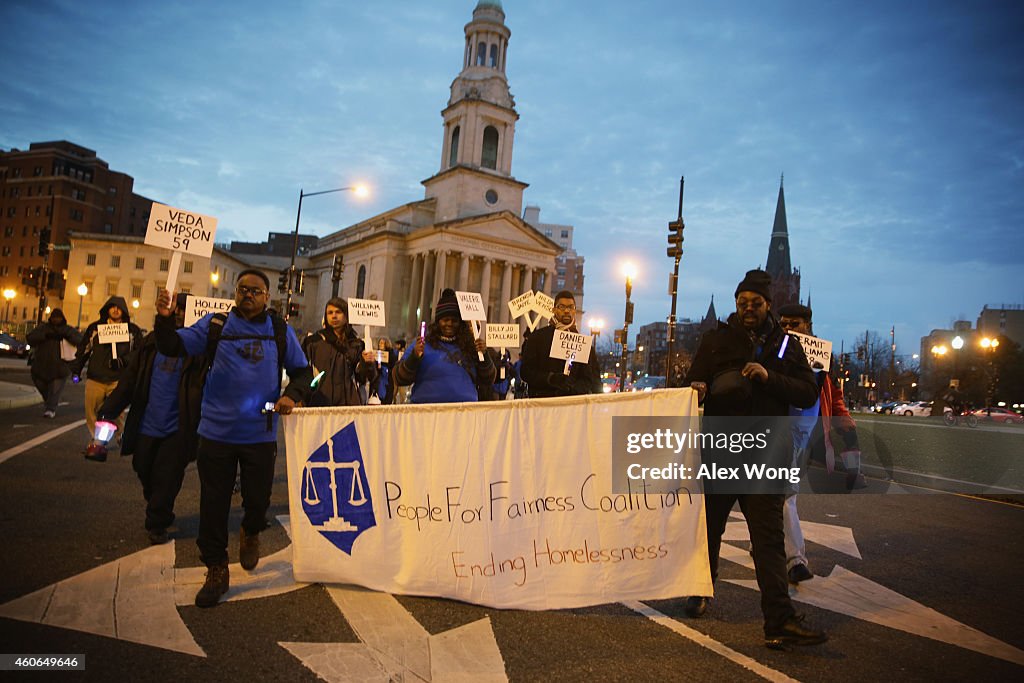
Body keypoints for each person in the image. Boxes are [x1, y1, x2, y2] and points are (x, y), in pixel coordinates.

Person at [683, 269, 827, 649]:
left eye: (756, 303)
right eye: (742, 302)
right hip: (722, 450)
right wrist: (696, 388)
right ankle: (701, 587)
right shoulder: (715, 340)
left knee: (768, 540)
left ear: (768, 305)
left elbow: (807, 393)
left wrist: (768, 377)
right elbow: (693, 381)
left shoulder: (787, 346)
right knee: (710, 529)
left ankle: (779, 621)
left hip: (767, 453)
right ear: (736, 304)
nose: (749, 308)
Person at [154, 269, 312, 608]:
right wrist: (165, 319)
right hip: (216, 432)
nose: (248, 295)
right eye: (243, 289)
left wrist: (293, 395)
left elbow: (304, 372)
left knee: (258, 501)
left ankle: (251, 530)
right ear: (235, 293)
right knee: (213, 503)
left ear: (267, 296)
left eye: (256, 290)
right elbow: (171, 346)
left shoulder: (280, 331)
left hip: (260, 433)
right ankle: (216, 568)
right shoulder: (216, 325)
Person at [95, 294, 202, 543]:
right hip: (147, 422)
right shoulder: (150, 344)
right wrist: (109, 410)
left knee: (167, 475)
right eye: (175, 310)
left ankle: (157, 521)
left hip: (179, 427)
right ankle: (158, 504)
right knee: (143, 467)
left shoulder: (198, 351)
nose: (177, 314)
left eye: (182, 311)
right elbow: (130, 381)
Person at [777, 303, 864, 585]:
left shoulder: (819, 359)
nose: (789, 328)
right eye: (783, 323)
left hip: (804, 437)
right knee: (785, 494)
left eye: (795, 324)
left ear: (808, 326)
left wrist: (845, 423)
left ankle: (765, 540)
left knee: (781, 494)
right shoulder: (773, 351)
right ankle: (795, 560)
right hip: (773, 433)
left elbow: (832, 394)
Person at [70, 296, 143, 459]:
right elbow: (84, 350)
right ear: (106, 310)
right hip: (96, 377)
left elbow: (139, 352)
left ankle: (121, 436)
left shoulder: (132, 331)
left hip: (119, 378)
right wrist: (77, 370)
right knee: (92, 410)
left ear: (124, 311)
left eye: (119, 308)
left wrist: (123, 361)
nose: (115, 310)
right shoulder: (95, 328)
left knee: (116, 412)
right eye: (112, 307)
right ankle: (96, 440)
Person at [393, 288, 494, 404]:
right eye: (445, 320)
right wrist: (414, 357)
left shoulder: (470, 346)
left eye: (454, 320)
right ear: (438, 322)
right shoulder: (422, 344)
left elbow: (488, 379)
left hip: (465, 413)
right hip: (428, 412)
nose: (449, 324)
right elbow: (398, 378)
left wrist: (484, 356)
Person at [520, 290, 601, 398]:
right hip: (542, 404)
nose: (567, 311)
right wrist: (550, 379)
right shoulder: (537, 338)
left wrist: (572, 388)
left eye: (571, 307)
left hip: (572, 406)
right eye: (562, 307)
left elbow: (591, 379)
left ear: (574, 311)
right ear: (554, 310)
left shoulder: (584, 344)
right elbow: (526, 372)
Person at [301, 297, 376, 407]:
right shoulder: (313, 342)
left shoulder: (356, 344)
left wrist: (367, 364)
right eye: (330, 313)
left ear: (346, 316)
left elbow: (362, 378)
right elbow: (301, 372)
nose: (334, 316)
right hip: (319, 402)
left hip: (347, 404)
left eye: (338, 312)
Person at [26, 308, 82, 418]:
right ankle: (49, 402)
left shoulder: (68, 330)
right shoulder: (43, 328)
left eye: (58, 318)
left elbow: (80, 340)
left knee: (55, 389)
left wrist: (66, 336)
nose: (56, 320)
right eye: (54, 317)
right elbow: (30, 338)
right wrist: (45, 336)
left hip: (60, 367)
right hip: (40, 365)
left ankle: (51, 408)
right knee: (42, 386)